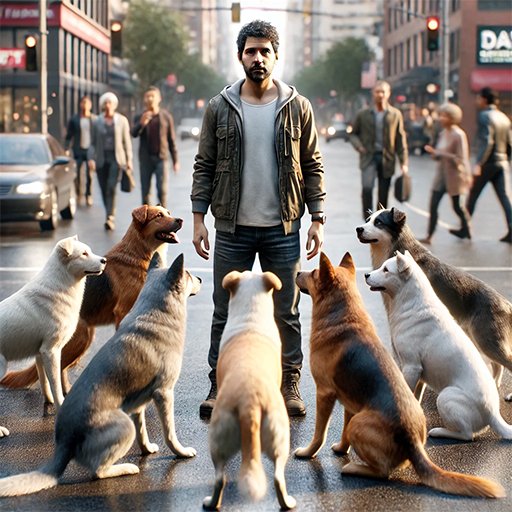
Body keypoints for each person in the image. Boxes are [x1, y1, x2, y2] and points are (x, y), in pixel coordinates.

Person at [191, 20, 326, 419]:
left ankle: (289, 383)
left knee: (287, 309)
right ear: (240, 56)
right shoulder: (220, 107)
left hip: (282, 228)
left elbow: (312, 165)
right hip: (231, 228)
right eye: (251, 50)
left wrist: (317, 218)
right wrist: (198, 219)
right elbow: (205, 164)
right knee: (223, 310)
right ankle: (219, 383)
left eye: (265, 50)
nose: (258, 57)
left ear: (276, 55)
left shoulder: (297, 107)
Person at [349, 80, 409, 219]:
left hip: (387, 158)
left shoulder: (395, 114)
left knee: (384, 192)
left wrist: (404, 163)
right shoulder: (363, 114)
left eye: (383, 92)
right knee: (367, 188)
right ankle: (368, 218)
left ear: (388, 94)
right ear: (373, 94)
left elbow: (400, 139)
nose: (380, 95)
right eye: (377, 92)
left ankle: (380, 220)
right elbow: (352, 134)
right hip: (368, 157)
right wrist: (359, 146)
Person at [419, 103, 472, 244]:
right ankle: (429, 235)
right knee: (433, 204)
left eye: (444, 116)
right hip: (441, 175)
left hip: (455, 176)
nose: (440, 118)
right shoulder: (443, 134)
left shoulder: (459, 135)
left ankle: (466, 228)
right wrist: (433, 153)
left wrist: (439, 153)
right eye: (440, 115)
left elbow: (461, 158)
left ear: (452, 117)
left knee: (457, 206)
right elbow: (438, 155)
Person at [466, 87, 512, 244]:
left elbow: (487, 141)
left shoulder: (485, 116)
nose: (477, 101)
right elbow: (509, 143)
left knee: (473, 194)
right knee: (505, 197)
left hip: (488, 163)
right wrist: (507, 161)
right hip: (502, 162)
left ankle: (465, 227)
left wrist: (479, 162)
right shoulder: (503, 117)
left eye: (479, 98)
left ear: (484, 99)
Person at [88, 92, 133, 231]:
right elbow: (92, 143)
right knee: (102, 188)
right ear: (102, 105)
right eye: (105, 103)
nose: (108, 105)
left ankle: (110, 216)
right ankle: (108, 212)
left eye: (110, 103)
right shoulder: (96, 121)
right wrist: (90, 158)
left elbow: (127, 142)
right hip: (101, 158)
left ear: (114, 105)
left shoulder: (122, 120)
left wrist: (129, 160)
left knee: (111, 186)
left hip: (116, 159)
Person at [131, 86, 180, 208]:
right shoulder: (140, 117)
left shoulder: (166, 116)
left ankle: (162, 219)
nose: (150, 99)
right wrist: (141, 124)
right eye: (147, 96)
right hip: (145, 159)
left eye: (152, 96)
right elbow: (133, 133)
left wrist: (175, 161)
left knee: (162, 190)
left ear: (159, 99)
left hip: (161, 158)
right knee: (145, 192)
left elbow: (171, 140)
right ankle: (147, 221)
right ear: (144, 99)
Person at [65, 95, 96, 206]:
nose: (85, 105)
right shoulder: (74, 119)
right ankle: (79, 195)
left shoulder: (94, 120)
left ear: (90, 105)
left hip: (90, 150)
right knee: (77, 174)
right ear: (80, 104)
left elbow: (97, 137)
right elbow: (69, 135)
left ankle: (88, 195)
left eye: (87, 103)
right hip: (78, 149)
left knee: (89, 175)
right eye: (83, 103)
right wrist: (66, 148)